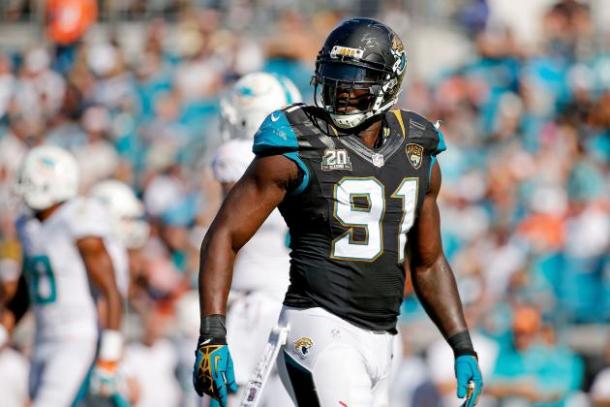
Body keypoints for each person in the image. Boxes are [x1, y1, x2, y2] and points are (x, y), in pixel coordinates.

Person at [193, 18, 483, 407]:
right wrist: (212, 333)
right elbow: (224, 235)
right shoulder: (298, 141)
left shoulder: (418, 150)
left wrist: (461, 343)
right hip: (317, 326)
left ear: (388, 83)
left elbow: (428, 263)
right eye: (335, 77)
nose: (343, 91)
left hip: (383, 340)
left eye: (356, 79)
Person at [2, 145, 125, 406]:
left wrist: (110, 355)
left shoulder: (78, 217)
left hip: (77, 336)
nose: (22, 187)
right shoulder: (30, 225)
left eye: (28, 180)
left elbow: (111, 290)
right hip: (44, 335)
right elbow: (26, 289)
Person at [211, 71, 301, 406]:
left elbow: (224, 230)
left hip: (254, 303)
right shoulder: (297, 160)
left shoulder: (237, 156)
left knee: (226, 396)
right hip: (293, 302)